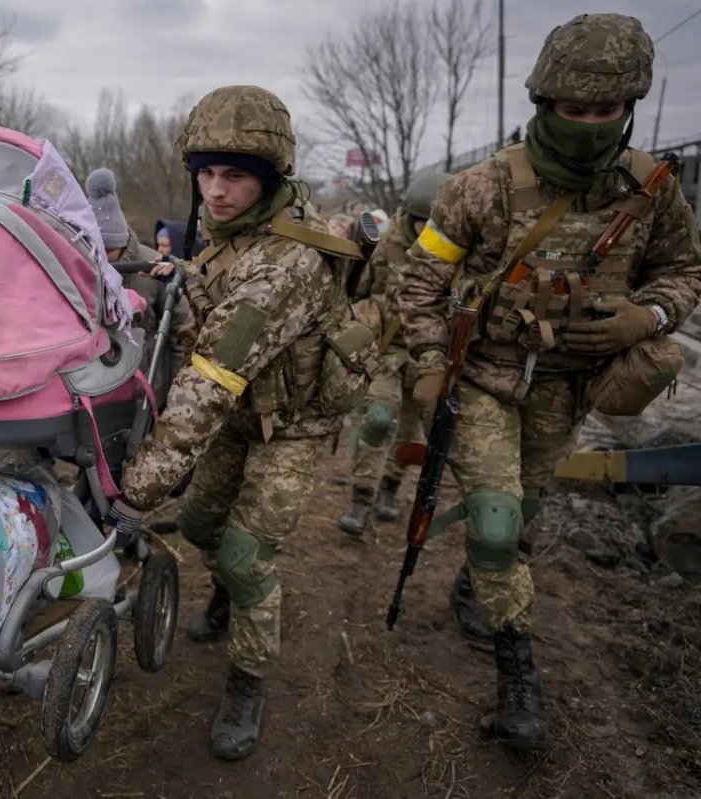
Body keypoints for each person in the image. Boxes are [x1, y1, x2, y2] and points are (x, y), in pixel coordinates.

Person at [398, 13, 701, 750]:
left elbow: (684, 271)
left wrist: (651, 317)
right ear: (544, 103)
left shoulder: (652, 189)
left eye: (607, 112)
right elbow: (419, 283)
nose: (592, 125)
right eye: (575, 110)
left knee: (521, 514)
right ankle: (517, 678)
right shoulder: (482, 187)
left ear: (629, 108)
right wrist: (433, 364)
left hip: (569, 391)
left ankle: (478, 585)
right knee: (499, 526)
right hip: (487, 383)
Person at [104, 86, 356, 760]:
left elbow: (210, 381)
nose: (215, 191)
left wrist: (137, 485)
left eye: (235, 176)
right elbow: (208, 304)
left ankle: (247, 681)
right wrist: (176, 279)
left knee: (245, 555)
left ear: (269, 180)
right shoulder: (231, 237)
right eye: (206, 174)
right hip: (244, 414)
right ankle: (230, 596)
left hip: (290, 425)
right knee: (197, 524)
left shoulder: (288, 264)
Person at [337, 173, 451, 541]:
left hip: (427, 356)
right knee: (378, 419)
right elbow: (358, 292)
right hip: (386, 352)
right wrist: (367, 314)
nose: (424, 232)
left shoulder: (454, 249)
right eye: (419, 222)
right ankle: (361, 497)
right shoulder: (386, 244)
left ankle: (389, 486)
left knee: (412, 431)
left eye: (432, 225)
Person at [86, 167, 197, 388]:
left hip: (147, 393)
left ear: (121, 241)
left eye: (108, 251)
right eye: (95, 250)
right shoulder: (82, 266)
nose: (103, 260)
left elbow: (184, 334)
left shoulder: (154, 266)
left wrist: (177, 393)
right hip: (97, 391)